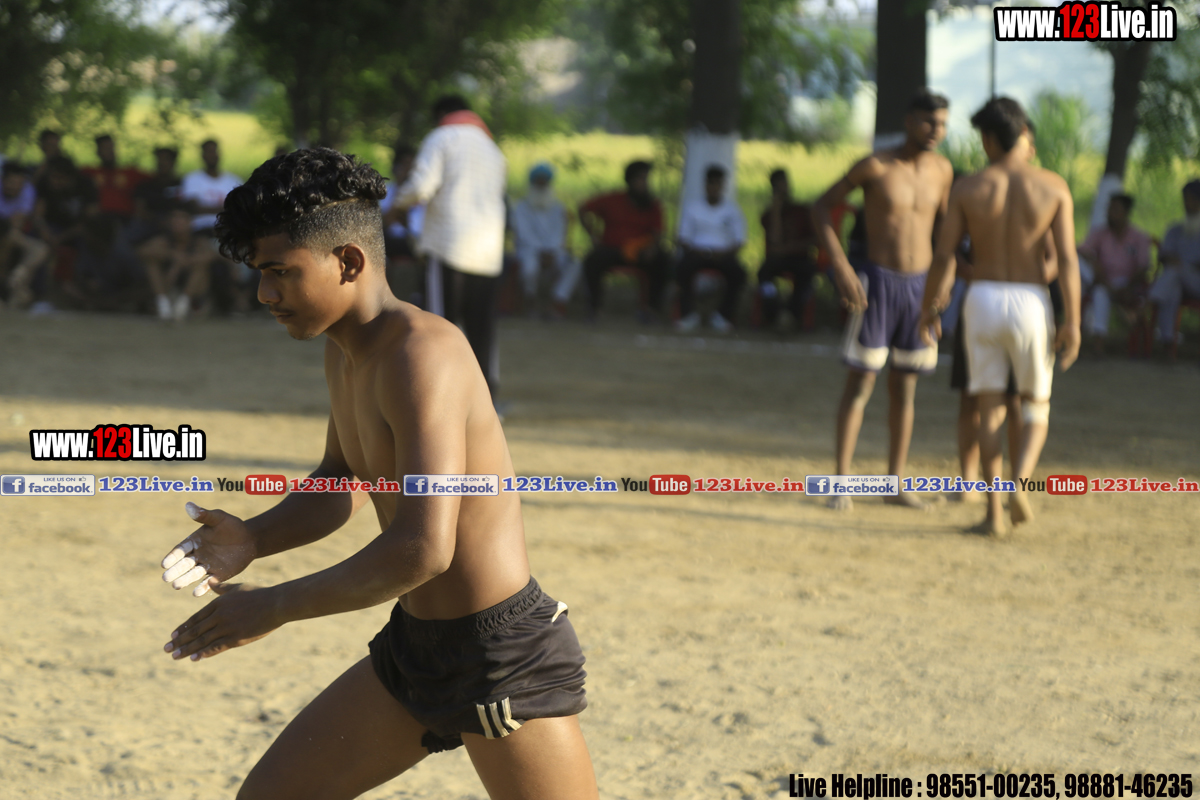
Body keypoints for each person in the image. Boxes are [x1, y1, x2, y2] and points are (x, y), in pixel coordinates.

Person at [158, 148, 597, 800]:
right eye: (259, 274)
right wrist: (253, 537)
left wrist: (273, 605)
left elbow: (423, 548)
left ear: (349, 261)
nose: (265, 294)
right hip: (416, 648)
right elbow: (344, 481)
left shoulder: (423, 354)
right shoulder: (345, 351)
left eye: (280, 272)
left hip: (499, 655)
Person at [920, 96, 1081, 537]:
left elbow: (943, 256)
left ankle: (993, 514)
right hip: (1031, 299)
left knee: (988, 409)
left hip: (983, 299)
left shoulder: (969, 188)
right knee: (1035, 405)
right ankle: (1020, 484)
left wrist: (929, 308)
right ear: (1022, 136)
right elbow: (1067, 259)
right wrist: (1073, 320)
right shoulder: (1053, 186)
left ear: (989, 139)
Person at [813, 89, 954, 511]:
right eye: (928, 122)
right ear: (909, 121)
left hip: (919, 288)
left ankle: (894, 482)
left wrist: (942, 286)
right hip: (876, 284)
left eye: (943, 124)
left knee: (906, 387)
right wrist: (840, 266)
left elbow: (947, 233)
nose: (936, 131)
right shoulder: (875, 166)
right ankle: (841, 481)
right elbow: (821, 207)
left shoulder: (943, 171)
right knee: (861, 383)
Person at [390, 96, 508, 401]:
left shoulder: (442, 137)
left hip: (448, 248)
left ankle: (437, 397)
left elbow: (420, 187)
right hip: (488, 253)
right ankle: (487, 399)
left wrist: (397, 205)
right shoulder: (492, 149)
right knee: (482, 330)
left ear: (441, 114)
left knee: (439, 327)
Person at [579, 160, 671, 321]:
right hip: (613, 249)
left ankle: (651, 309)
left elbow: (658, 232)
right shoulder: (613, 199)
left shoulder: (653, 205)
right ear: (630, 180)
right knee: (592, 260)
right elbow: (583, 208)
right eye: (640, 179)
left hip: (641, 252)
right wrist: (592, 235)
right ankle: (594, 308)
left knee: (663, 260)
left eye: (646, 179)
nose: (644, 183)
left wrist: (653, 248)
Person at [674, 164, 747, 333]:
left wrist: (724, 253)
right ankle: (688, 315)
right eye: (711, 183)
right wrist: (699, 251)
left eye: (718, 183)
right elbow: (683, 238)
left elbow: (739, 241)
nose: (714, 187)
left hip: (723, 254)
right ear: (705, 184)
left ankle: (723, 316)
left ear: (723, 186)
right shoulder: (693, 208)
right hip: (696, 252)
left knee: (738, 273)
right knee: (681, 268)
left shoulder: (732, 210)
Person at [1076, 193, 1152, 353]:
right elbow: (1082, 249)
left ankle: (1103, 337)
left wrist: (1128, 287)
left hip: (1128, 284)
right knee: (1099, 291)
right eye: (1109, 209)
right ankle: (1099, 343)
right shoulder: (1100, 233)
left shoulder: (1139, 237)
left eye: (1115, 209)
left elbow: (1143, 266)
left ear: (1126, 212)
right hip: (1103, 280)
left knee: (1102, 291)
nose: (1110, 213)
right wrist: (1094, 262)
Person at [182, 140, 246, 313]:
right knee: (210, 252)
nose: (212, 155)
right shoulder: (192, 179)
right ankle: (233, 296)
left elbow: (240, 209)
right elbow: (193, 207)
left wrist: (208, 207)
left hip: (229, 230)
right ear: (202, 155)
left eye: (214, 151)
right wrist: (226, 208)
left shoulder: (233, 180)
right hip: (201, 231)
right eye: (208, 151)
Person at [510, 163, 580, 320]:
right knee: (530, 268)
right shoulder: (521, 207)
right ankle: (530, 302)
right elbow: (523, 233)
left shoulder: (558, 207)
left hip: (554, 251)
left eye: (545, 182)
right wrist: (541, 251)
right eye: (539, 182)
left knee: (574, 265)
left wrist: (551, 251)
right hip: (528, 250)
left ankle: (558, 301)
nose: (542, 186)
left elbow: (559, 232)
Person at [757, 168, 817, 330]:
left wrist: (789, 248)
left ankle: (792, 314)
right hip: (778, 259)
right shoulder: (768, 215)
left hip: (800, 258)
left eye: (785, 184)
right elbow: (774, 240)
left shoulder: (802, 211)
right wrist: (776, 210)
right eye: (779, 186)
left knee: (807, 275)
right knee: (764, 275)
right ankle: (774, 312)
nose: (783, 189)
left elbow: (814, 240)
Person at [1148, 179, 1200, 349]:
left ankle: (1149, 301)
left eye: (1192, 199)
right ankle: (1168, 343)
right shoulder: (1175, 229)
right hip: (1178, 281)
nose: (1187, 204)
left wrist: (1182, 264)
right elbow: (1165, 255)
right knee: (1173, 290)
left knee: (1175, 271)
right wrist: (1173, 260)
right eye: (1185, 199)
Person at [137, 203, 211, 321]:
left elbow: (212, 255)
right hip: (169, 287)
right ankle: (162, 304)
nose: (177, 221)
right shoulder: (163, 241)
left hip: (194, 292)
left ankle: (184, 303)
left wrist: (187, 260)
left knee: (200, 265)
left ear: (190, 222)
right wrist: (173, 256)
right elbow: (142, 251)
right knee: (152, 263)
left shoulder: (199, 241)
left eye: (181, 218)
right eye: (174, 217)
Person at [80, 134, 148, 224]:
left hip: (125, 220)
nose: (110, 152)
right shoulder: (89, 172)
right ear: (98, 151)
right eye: (105, 148)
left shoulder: (130, 173)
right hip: (98, 219)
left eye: (111, 148)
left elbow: (156, 180)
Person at [131, 146, 184, 243]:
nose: (162, 163)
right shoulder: (145, 185)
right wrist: (157, 221)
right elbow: (139, 210)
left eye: (166, 159)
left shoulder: (182, 184)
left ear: (173, 162)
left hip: (176, 223)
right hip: (149, 223)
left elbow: (187, 207)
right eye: (160, 159)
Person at [0, 215, 50, 309]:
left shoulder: (11, 235)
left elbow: (41, 249)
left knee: (23, 295)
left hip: (10, 286)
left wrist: (22, 268)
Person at [1, 161, 37, 232]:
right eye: (11, 182)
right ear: (3, 180)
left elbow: (18, 222)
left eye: (18, 184)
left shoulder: (28, 191)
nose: (14, 187)